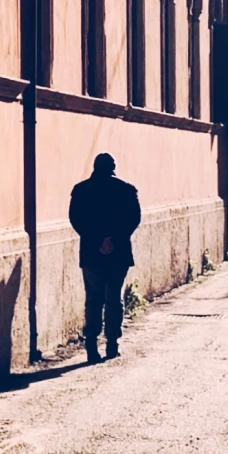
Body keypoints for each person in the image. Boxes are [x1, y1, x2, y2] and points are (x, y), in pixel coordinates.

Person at [68, 152, 141, 362]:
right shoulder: (126, 190)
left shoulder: (81, 190)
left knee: (93, 298)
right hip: (118, 253)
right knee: (113, 298)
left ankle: (91, 345)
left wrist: (98, 240)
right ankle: (112, 343)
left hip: (92, 252)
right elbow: (133, 218)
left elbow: (76, 219)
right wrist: (113, 240)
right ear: (113, 168)